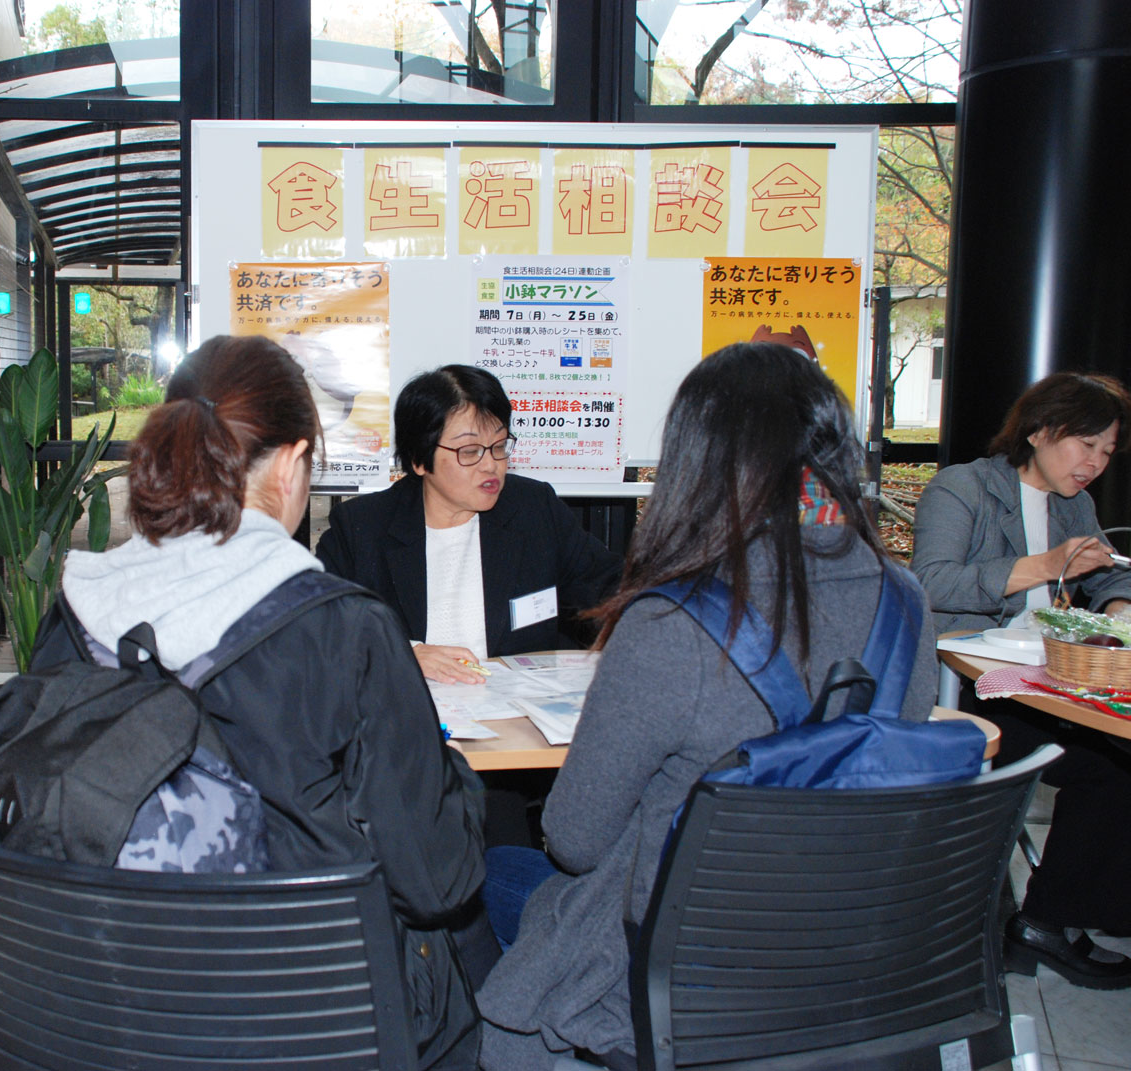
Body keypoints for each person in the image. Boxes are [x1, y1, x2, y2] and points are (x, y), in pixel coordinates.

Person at [473, 342, 941, 1070]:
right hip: (851, 947)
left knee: (495, 870)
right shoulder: (906, 601)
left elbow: (574, 840)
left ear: (697, 458)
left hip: (680, 967)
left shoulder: (673, 621)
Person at [58, 335, 491, 1068]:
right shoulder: (343, 629)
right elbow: (436, 878)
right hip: (311, 1021)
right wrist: (451, 775)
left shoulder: (77, 607)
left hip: (114, 1007)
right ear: (291, 466)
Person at [912, 371, 1131, 988]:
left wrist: (1117, 608)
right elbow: (929, 582)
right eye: (1085, 444)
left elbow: (1111, 572)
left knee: (1119, 758)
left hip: (1039, 683)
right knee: (1107, 766)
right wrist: (1044, 566)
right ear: (1039, 431)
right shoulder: (963, 487)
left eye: (1108, 451)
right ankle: (1045, 923)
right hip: (964, 687)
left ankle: (1081, 911)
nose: (1095, 463)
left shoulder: (1074, 504)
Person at [316, 364, 622, 685]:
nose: (491, 465)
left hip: (516, 706)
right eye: (470, 451)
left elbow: (610, 591)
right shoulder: (362, 528)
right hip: (411, 705)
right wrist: (400, 653)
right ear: (420, 460)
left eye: (499, 447)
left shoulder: (534, 509)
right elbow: (321, 628)